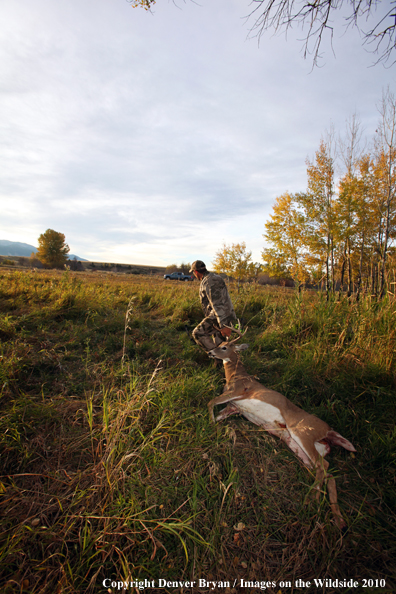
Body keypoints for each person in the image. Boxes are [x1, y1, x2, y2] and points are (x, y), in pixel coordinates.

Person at [189, 260, 237, 352]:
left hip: (218, 316)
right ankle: (223, 363)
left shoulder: (208, 281)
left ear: (196, 272)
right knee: (220, 343)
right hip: (225, 314)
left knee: (198, 333)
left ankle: (218, 356)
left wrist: (223, 325)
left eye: (193, 273)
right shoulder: (215, 277)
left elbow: (217, 303)